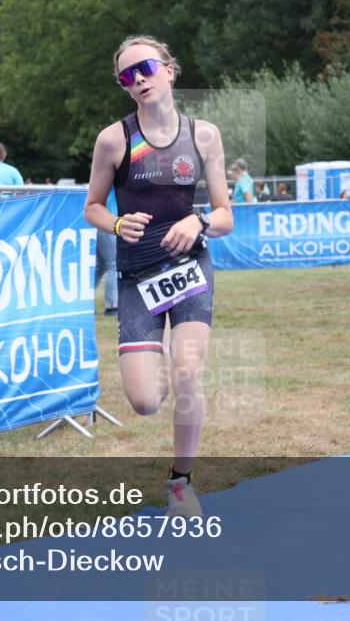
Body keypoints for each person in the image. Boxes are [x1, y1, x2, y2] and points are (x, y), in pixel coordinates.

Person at [84, 35, 233, 517]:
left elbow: (226, 215)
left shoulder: (203, 134)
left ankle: (180, 481)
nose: (138, 80)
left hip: (191, 268)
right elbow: (91, 207)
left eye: (145, 68)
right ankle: (161, 365)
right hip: (137, 277)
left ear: (169, 69)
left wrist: (199, 220)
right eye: (127, 77)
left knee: (190, 372)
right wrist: (116, 223)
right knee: (147, 401)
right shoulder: (114, 139)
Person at [95, 188, 119, 316]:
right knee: (113, 265)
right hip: (109, 222)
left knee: (101, 267)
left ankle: (87, 301)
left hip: (102, 223)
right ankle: (111, 305)